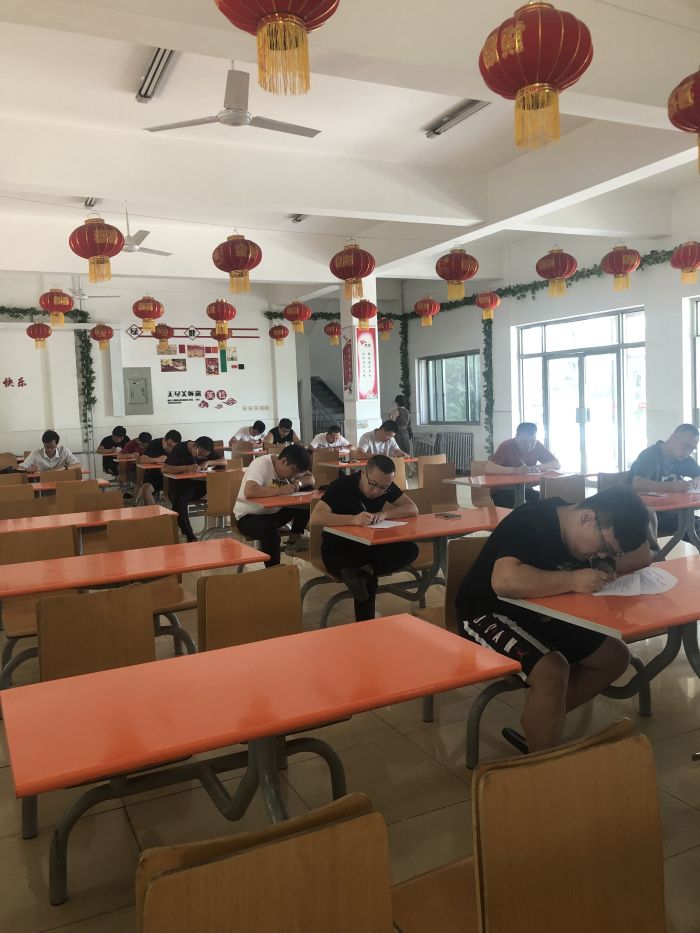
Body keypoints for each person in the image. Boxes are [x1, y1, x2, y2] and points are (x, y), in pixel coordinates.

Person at [456, 487, 651, 753]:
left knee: (615, 657)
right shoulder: (530, 521)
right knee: (553, 670)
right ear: (587, 518)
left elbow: (644, 554)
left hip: (540, 613)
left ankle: (540, 720)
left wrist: (609, 563)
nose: (600, 555)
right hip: (486, 612)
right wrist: (573, 580)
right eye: (604, 548)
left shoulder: (585, 533)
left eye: (609, 552)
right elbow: (504, 581)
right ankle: (544, 761)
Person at [311, 455, 419, 621]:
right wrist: (352, 520)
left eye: (383, 488)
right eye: (373, 484)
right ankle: (365, 623)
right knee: (362, 577)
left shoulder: (385, 485)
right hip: (339, 548)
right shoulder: (342, 485)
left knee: (410, 549)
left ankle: (365, 571)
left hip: (369, 545)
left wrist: (385, 514)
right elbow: (316, 517)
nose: (376, 491)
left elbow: (412, 508)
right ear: (363, 473)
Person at [235, 444, 315, 565]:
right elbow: (250, 491)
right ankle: (275, 570)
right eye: (293, 471)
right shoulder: (261, 464)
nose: (294, 475)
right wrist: (280, 490)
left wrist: (297, 483)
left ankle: (294, 540)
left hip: (275, 513)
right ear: (283, 461)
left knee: (307, 493)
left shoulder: (293, 464)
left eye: (297, 473)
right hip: (248, 517)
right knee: (270, 529)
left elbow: (310, 478)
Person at [629, 423, 700, 537]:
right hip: (644, 515)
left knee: (693, 526)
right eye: (686, 446)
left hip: (671, 513)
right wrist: (673, 486)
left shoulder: (683, 459)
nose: (688, 452)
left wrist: (697, 480)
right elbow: (637, 483)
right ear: (673, 437)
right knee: (693, 527)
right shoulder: (650, 455)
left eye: (692, 449)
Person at [486, 422, 561, 508]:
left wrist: (538, 467)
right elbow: (489, 468)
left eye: (532, 442)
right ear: (516, 438)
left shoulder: (538, 446)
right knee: (528, 508)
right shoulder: (506, 446)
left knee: (550, 502)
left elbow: (556, 464)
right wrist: (516, 470)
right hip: (502, 491)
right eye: (524, 442)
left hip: (525, 489)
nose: (529, 446)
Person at [164, 436, 224, 542]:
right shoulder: (179, 449)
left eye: (204, 456)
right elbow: (164, 469)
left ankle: (188, 535)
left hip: (197, 486)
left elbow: (224, 462)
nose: (200, 457)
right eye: (199, 454)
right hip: (178, 486)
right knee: (179, 501)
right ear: (195, 446)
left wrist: (209, 462)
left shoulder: (206, 449)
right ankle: (190, 535)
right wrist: (187, 468)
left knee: (179, 501)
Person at [139, 430, 182, 506]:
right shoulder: (154, 444)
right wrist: (156, 459)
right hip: (154, 476)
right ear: (164, 439)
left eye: (173, 447)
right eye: (169, 445)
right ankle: (154, 512)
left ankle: (175, 511)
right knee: (146, 489)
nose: (170, 448)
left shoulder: (179, 448)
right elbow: (142, 460)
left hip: (172, 477)